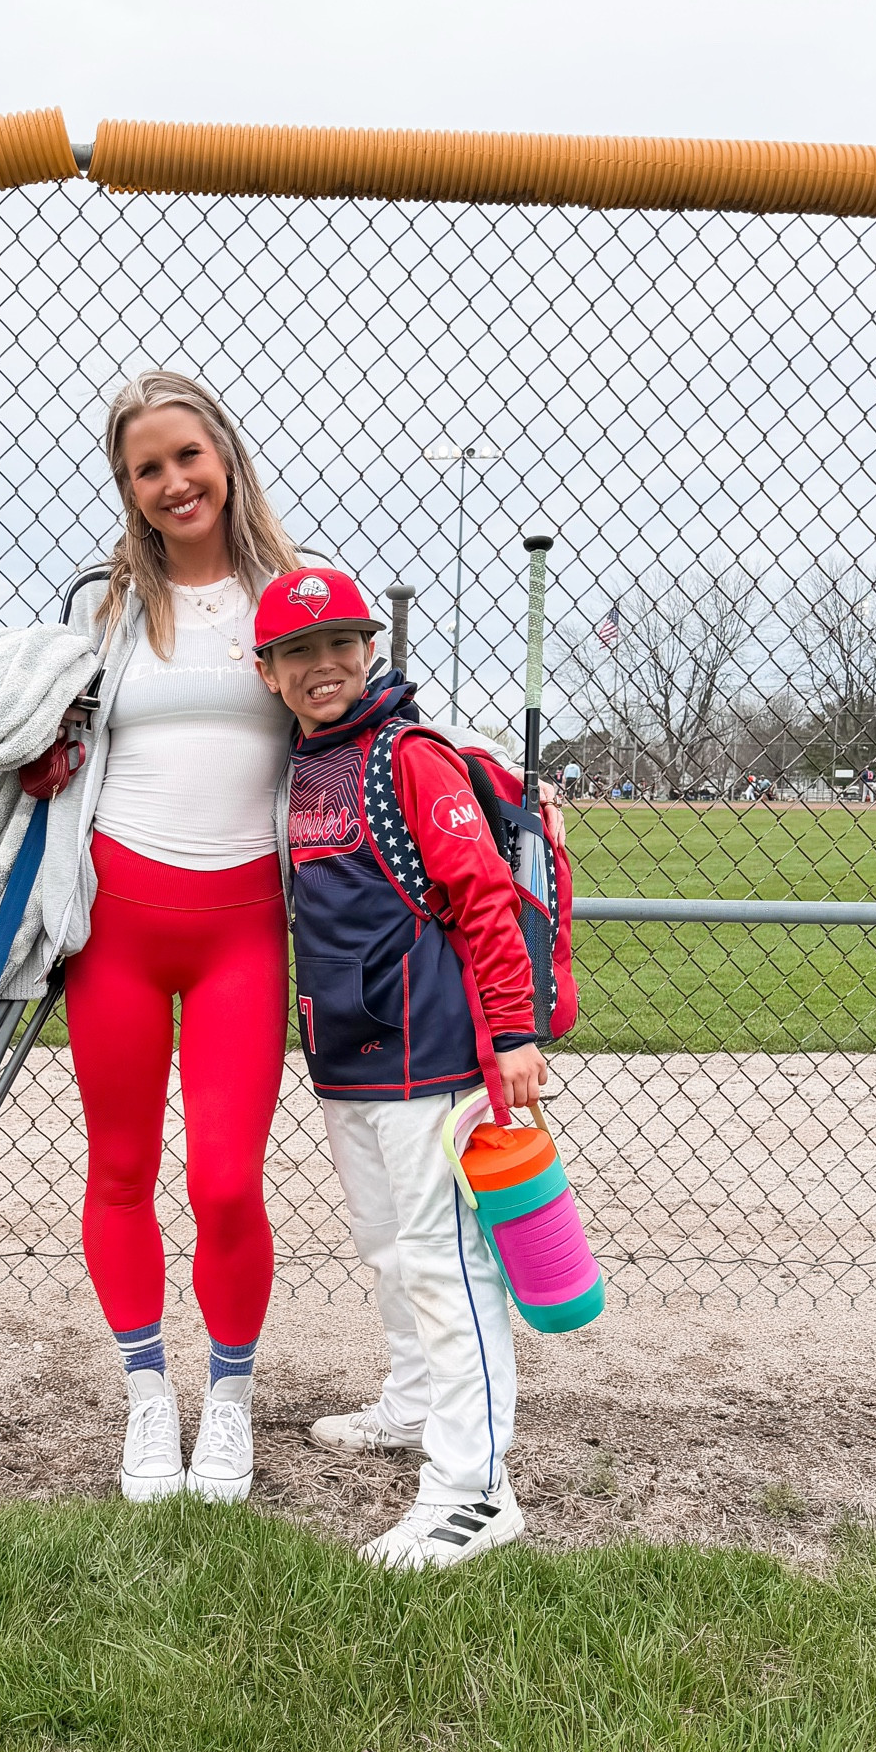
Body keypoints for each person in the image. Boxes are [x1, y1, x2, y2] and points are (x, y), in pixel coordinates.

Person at [255, 565, 546, 1569]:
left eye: (338, 643)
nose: (320, 663)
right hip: (349, 1058)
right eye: (297, 651)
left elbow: (482, 898)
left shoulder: (404, 753)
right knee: (391, 1247)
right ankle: (417, 1403)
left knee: (445, 1262)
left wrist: (511, 1035)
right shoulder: (301, 763)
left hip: (432, 1059)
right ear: (270, 672)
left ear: (369, 650)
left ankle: (476, 1489)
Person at [59, 372, 301, 1505]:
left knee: (226, 1182)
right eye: (146, 468)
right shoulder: (104, 608)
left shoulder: (294, 596)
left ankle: (234, 1398)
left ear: (226, 457)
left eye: (186, 457)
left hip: (244, 926)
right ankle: (150, 1395)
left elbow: (364, 719)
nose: (172, 483)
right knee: (118, 1167)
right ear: (129, 488)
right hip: (118, 921)